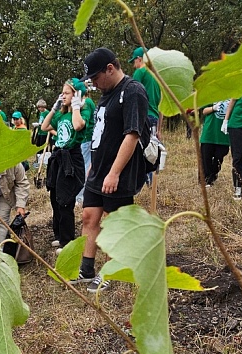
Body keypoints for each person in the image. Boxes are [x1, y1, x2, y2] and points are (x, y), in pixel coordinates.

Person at [76, 47, 149, 293]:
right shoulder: (106, 93)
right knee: (89, 217)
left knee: (113, 224)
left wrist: (114, 172)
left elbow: (132, 134)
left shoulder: (132, 91)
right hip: (98, 170)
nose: (94, 84)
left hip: (119, 172)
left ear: (110, 68)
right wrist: (94, 167)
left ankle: (109, 271)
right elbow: (101, 134)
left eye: (96, 78)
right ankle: (86, 269)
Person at [41, 78, 92, 253]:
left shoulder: (82, 113)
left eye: (67, 93)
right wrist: (55, 108)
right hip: (59, 157)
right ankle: (60, 236)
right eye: (62, 93)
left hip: (72, 157)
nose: (63, 96)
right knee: (55, 199)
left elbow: (78, 126)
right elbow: (44, 126)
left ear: (76, 95)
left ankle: (68, 241)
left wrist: (76, 105)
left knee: (65, 201)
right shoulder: (62, 114)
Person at [129, 46, 162, 185]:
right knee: (151, 150)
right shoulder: (157, 76)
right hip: (154, 118)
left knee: (139, 149)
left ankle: (141, 180)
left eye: (134, 61)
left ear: (139, 59)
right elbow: (161, 105)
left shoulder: (140, 72)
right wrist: (160, 128)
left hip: (142, 117)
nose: (133, 65)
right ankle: (151, 181)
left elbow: (132, 95)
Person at [199, 100, 230, 187]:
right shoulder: (212, 94)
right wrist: (213, 108)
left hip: (224, 134)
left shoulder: (232, 95)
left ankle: (212, 175)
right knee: (206, 157)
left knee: (220, 155)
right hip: (209, 132)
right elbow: (204, 111)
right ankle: (205, 180)